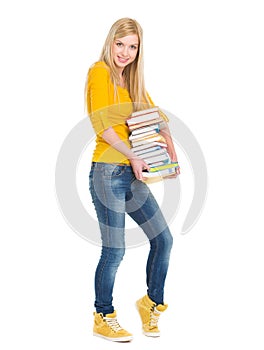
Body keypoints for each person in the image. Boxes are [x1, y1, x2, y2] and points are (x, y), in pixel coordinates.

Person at [85, 17, 180, 342]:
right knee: (114, 251)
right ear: (111, 43)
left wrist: (170, 150)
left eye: (133, 46)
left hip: (132, 174)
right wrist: (133, 155)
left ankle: (150, 303)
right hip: (107, 172)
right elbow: (102, 126)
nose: (125, 52)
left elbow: (157, 118)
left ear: (139, 51)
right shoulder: (100, 72)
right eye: (120, 44)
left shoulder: (133, 83)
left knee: (163, 239)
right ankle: (103, 315)